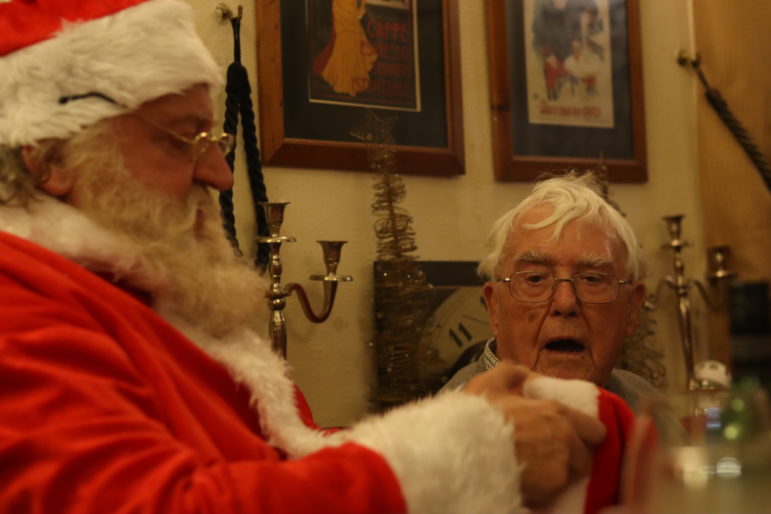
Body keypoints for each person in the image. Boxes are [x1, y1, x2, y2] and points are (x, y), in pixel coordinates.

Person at [0, 1, 609, 512]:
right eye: (182, 139)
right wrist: (472, 449)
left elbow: (284, 462)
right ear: (48, 158)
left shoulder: (137, 294)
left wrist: (568, 421)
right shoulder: (18, 311)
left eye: (216, 139)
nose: (217, 172)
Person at [443, 173, 659, 411]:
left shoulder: (648, 407)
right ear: (494, 307)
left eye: (591, 279)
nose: (565, 303)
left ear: (631, 309)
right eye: (535, 279)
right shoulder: (453, 427)